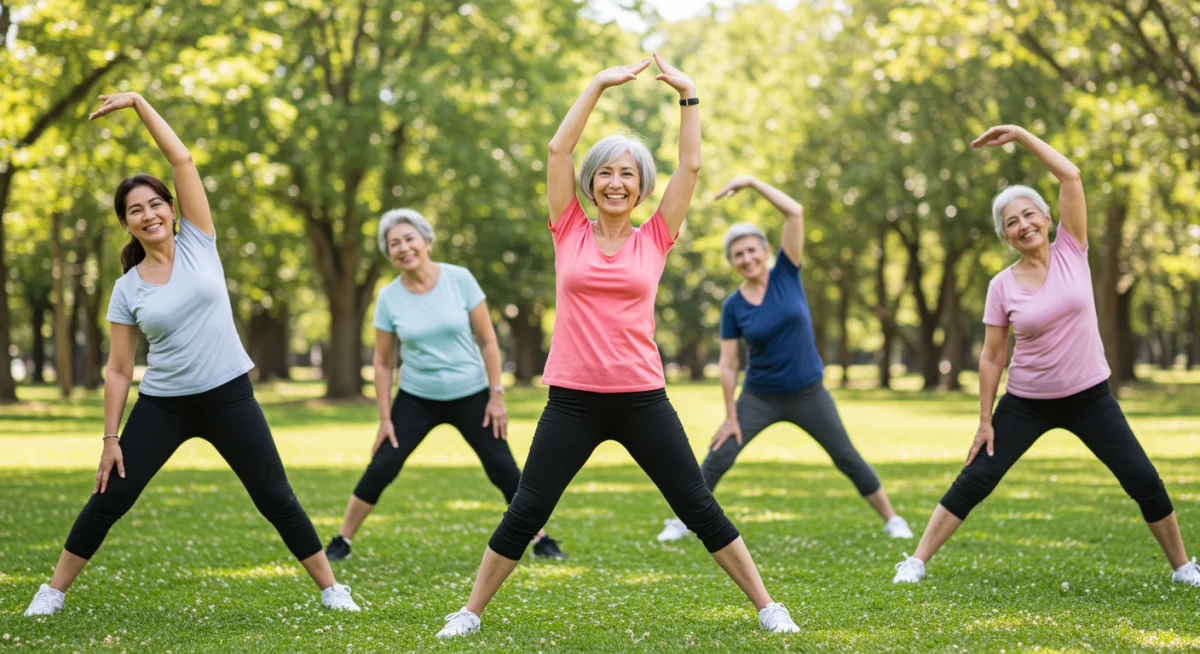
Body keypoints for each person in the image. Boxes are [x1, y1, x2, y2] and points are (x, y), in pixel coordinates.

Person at [435, 54, 800, 639]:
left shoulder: (656, 236)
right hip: (573, 399)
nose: (615, 182)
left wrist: (688, 96)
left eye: (628, 174)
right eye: (606, 172)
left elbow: (692, 165)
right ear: (592, 181)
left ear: (641, 188)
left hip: (641, 397)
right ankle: (469, 612)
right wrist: (599, 84)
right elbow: (558, 150)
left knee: (698, 506)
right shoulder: (568, 228)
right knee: (528, 508)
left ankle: (767, 606)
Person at [23, 91, 358, 617]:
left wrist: (137, 102)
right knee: (111, 498)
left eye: (155, 203)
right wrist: (110, 438)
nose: (148, 213)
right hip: (164, 404)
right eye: (135, 210)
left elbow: (181, 160)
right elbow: (117, 369)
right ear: (127, 224)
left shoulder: (200, 241)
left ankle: (331, 588)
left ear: (172, 208)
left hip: (230, 397)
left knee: (275, 495)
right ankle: (53, 592)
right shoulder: (127, 288)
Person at [892, 124, 1200, 586]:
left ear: (1048, 218)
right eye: (1011, 222)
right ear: (1006, 237)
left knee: (1142, 479)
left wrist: (1019, 136)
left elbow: (1071, 177)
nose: (1023, 224)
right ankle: (915, 561)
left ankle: (1182, 567)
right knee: (976, 478)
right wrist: (984, 419)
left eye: (1029, 213)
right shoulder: (1002, 285)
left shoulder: (1072, 249)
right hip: (1026, 402)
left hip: (1091, 397)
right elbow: (992, 357)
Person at [656, 176, 911, 543]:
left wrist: (751, 183)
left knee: (846, 456)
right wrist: (730, 415)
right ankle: (682, 520)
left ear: (765, 251)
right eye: (738, 255)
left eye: (751, 250)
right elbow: (729, 364)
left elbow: (795, 212)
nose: (746, 259)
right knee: (719, 454)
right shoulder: (733, 306)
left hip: (809, 393)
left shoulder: (788, 274)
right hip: (759, 397)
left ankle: (891, 518)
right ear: (732, 263)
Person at [323, 209, 566, 562]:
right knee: (382, 466)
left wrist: (496, 396)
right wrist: (385, 418)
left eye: (409, 239)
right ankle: (342, 541)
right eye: (394, 243)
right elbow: (383, 361)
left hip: (472, 395)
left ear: (426, 241)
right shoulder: (389, 298)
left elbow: (488, 341)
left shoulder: (459, 279)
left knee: (503, 468)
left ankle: (540, 537)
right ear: (388, 253)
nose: (403, 248)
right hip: (417, 398)